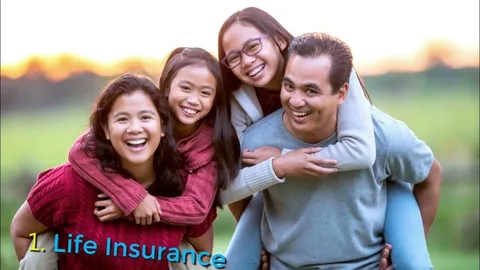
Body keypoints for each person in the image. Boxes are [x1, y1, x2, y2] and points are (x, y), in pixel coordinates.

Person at [217, 7, 438, 269]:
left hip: (371, 180)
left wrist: (403, 251)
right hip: (280, 192)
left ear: (278, 40)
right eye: (233, 57)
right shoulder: (239, 104)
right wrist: (265, 239)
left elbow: (363, 152)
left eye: (253, 46)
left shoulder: (329, 65)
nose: (246, 61)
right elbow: (232, 182)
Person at [10, 74, 216, 270]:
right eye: (122, 119)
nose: (135, 128)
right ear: (105, 129)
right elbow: (21, 232)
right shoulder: (68, 184)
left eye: (145, 117)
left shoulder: (181, 188)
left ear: (162, 126)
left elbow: (202, 256)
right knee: (41, 246)